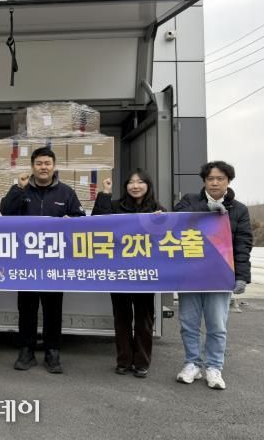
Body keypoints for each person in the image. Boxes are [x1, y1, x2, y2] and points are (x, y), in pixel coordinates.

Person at [0, 147, 85, 374]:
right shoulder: (22, 189)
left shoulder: (66, 192)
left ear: (54, 166)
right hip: (26, 261)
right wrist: (18, 188)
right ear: (32, 167)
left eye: (47, 163)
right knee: (26, 308)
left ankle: (52, 351)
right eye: (39, 164)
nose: (43, 167)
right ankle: (26, 350)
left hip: (54, 262)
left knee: (53, 309)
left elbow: (80, 220)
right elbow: (5, 212)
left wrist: (71, 220)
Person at [174, 161, 253, 390]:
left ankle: (214, 367)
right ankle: (192, 364)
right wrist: (206, 211)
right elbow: (175, 220)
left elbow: (243, 244)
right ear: (204, 181)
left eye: (220, 179)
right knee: (188, 323)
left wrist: (242, 276)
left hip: (220, 276)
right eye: (210, 179)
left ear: (228, 181)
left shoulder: (239, 210)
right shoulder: (190, 201)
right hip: (190, 275)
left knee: (217, 325)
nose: (215, 183)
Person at [92, 169, 165, 378]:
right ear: (125, 187)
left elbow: (166, 238)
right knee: (122, 318)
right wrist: (105, 193)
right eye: (131, 182)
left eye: (140, 182)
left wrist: (162, 221)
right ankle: (123, 360)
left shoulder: (158, 210)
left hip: (145, 274)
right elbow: (97, 221)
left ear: (148, 186)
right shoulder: (116, 206)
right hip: (119, 272)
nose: (135, 186)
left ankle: (142, 362)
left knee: (144, 319)